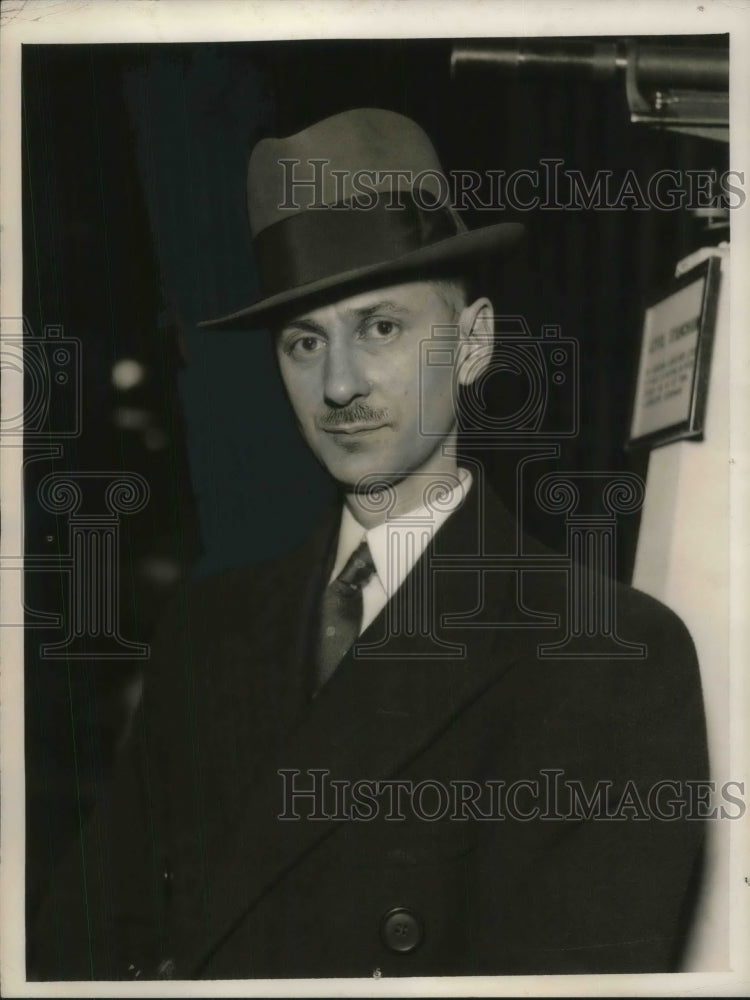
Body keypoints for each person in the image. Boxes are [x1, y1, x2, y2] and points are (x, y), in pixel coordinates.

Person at [31, 108, 708, 980]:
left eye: (380, 327)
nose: (339, 383)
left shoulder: (609, 653)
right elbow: (81, 941)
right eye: (304, 341)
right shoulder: (207, 629)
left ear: (473, 345)